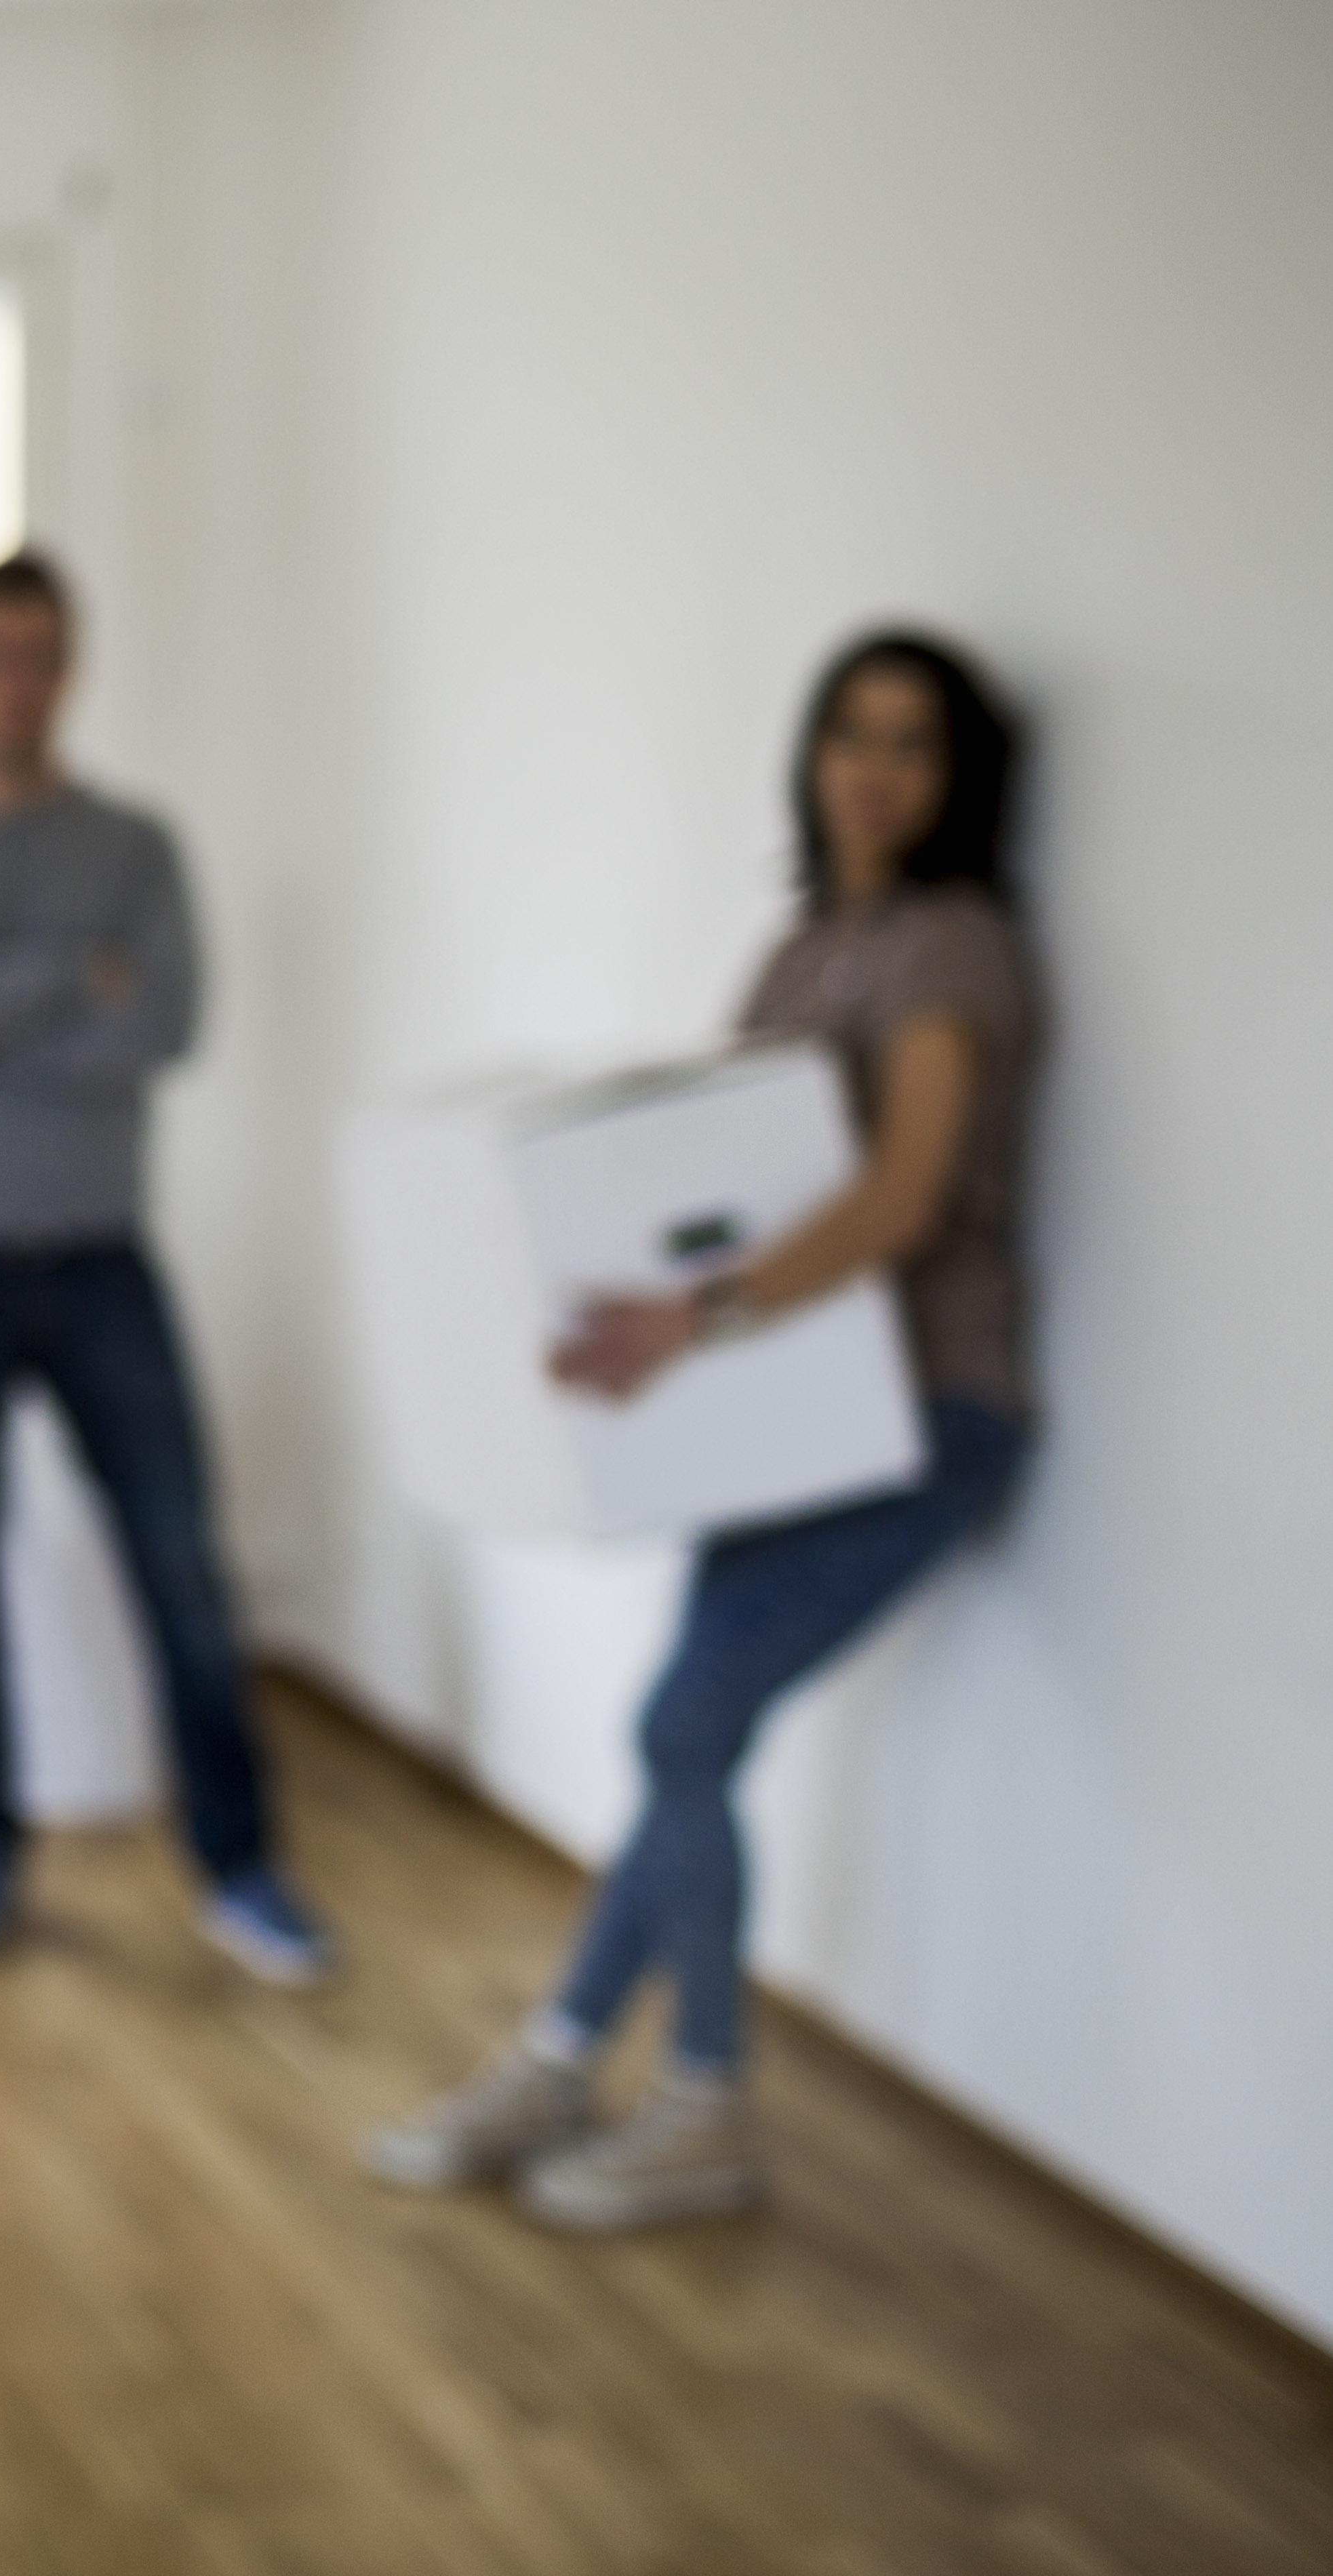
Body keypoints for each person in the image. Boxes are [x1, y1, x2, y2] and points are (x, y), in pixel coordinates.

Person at [365, 630, 1037, 2233]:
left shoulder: (954, 953)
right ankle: (568, 2056)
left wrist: (692, 1323)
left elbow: (898, 1198)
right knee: (689, 1739)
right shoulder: (803, 950)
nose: (872, 769)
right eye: (850, 735)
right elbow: (723, 1168)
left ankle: (703, 2100)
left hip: (929, 1414)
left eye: (912, 744)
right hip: (787, 1419)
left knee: (679, 1732)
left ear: (960, 780)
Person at [0, 550, 332, 1984]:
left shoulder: (137, 846)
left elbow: (162, 1026)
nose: (18, 677)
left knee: (183, 1567)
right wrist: (73, 973)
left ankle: (243, 1866)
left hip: (103, 1255)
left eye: (42, 650)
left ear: (74, 664)